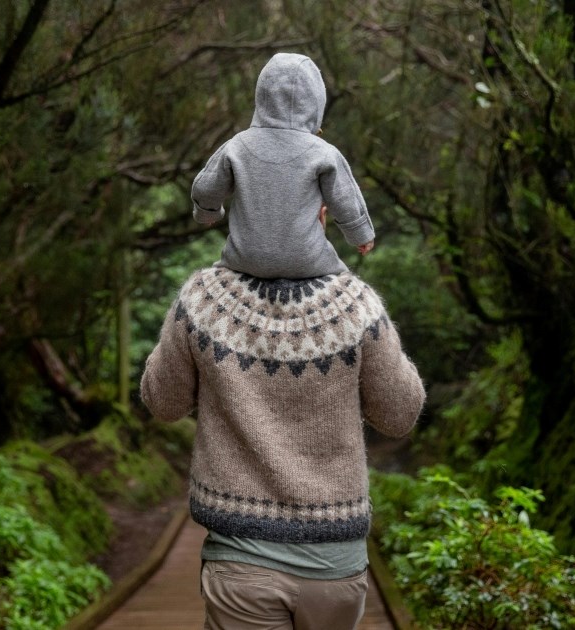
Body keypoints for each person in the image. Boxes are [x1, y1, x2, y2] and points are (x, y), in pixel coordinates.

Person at [140, 265, 425, 629]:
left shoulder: (203, 297)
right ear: (321, 214)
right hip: (334, 563)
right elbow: (400, 415)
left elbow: (163, 402)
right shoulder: (355, 303)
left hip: (241, 558)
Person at [191, 52, 375, 280]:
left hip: (244, 259)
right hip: (308, 261)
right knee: (347, 288)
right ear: (316, 101)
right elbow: (346, 199)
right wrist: (361, 235)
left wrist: (206, 213)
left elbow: (206, 187)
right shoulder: (323, 151)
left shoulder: (238, 144)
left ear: (262, 94)